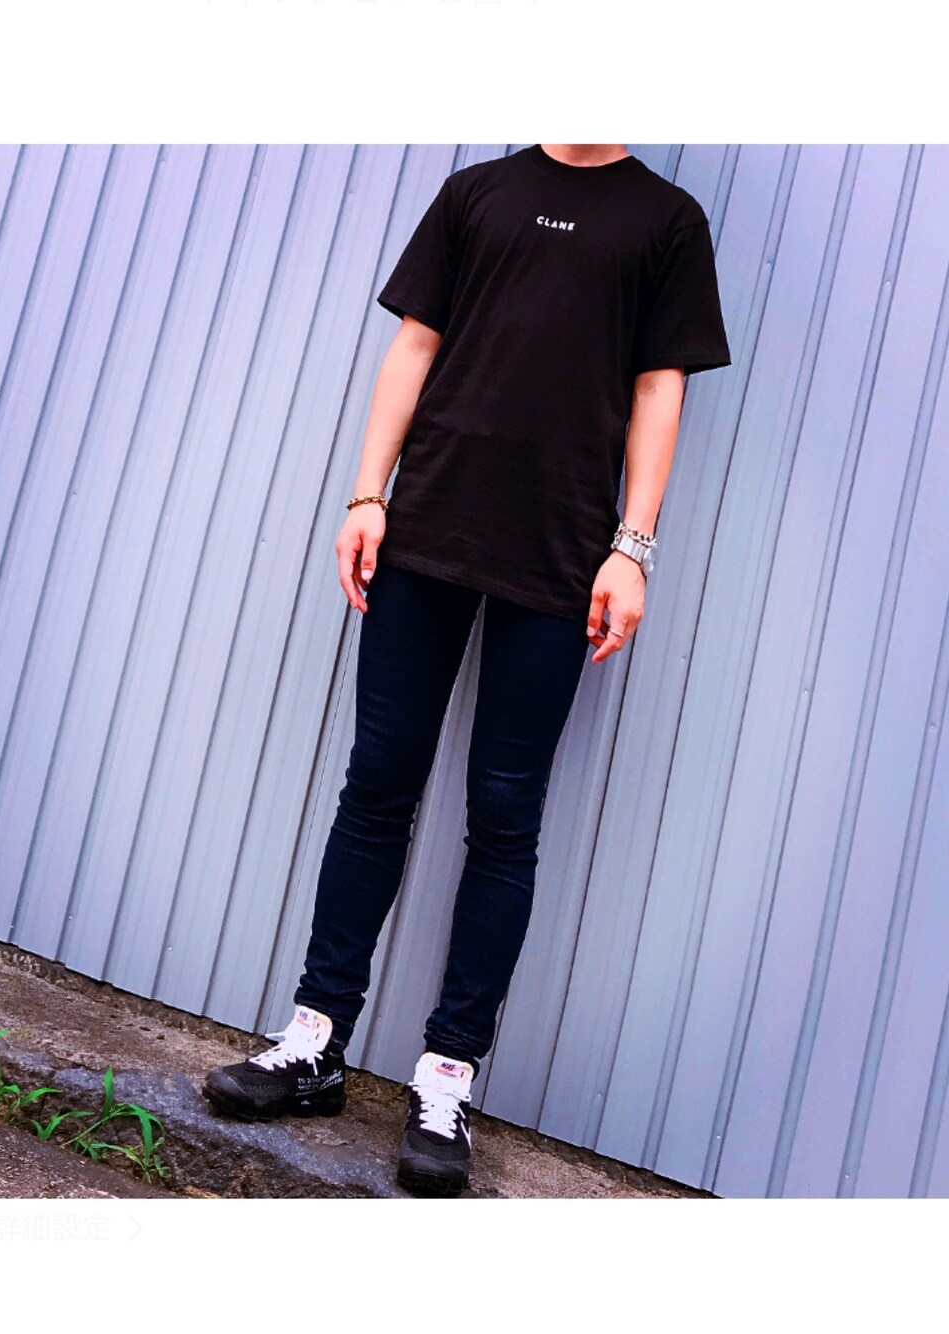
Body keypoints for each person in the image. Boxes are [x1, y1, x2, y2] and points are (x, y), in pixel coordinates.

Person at [202, 142, 732, 1197]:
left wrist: (632, 549)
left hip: (560, 555)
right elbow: (415, 343)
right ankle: (314, 1041)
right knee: (377, 783)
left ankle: (446, 1076)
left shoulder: (667, 221)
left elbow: (658, 388)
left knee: (504, 815)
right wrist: (368, 494)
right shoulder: (476, 193)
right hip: (428, 529)